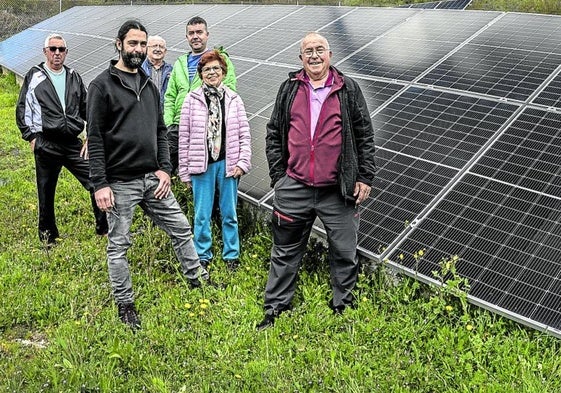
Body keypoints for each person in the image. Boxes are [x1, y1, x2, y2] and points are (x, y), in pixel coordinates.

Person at [86, 20, 211, 331]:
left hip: (152, 179)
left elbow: (159, 130)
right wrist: (99, 184)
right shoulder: (101, 86)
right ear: (119, 44)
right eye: (133, 44)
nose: (138, 50)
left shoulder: (149, 85)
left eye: (142, 45)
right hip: (120, 182)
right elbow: (96, 137)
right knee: (119, 245)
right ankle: (125, 303)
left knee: (181, 228)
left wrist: (164, 168)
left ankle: (198, 280)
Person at [256, 32, 376, 330]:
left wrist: (364, 176)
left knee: (344, 251)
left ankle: (343, 307)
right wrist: (278, 178)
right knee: (284, 250)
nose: (314, 55)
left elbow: (364, 135)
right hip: (294, 186)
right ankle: (275, 309)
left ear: (330, 54)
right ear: (300, 59)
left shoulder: (348, 90)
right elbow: (274, 133)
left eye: (319, 49)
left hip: (337, 189)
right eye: (307, 51)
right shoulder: (289, 89)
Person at [15, 33, 108, 247]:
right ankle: (49, 238)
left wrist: (90, 136)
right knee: (46, 192)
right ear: (45, 51)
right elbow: (22, 108)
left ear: (66, 52)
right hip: (46, 143)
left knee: (95, 180)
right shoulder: (35, 76)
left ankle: (103, 227)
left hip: (72, 143)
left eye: (61, 49)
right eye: (53, 49)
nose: (57, 53)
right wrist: (30, 136)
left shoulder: (74, 76)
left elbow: (87, 108)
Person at [178, 50, 252, 271]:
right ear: (201, 74)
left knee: (229, 212)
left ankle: (231, 255)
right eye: (207, 69)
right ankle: (203, 254)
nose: (212, 73)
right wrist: (184, 170)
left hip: (228, 164)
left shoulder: (233, 100)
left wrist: (242, 162)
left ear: (223, 72)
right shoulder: (191, 100)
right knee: (202, 214)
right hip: (201, 166)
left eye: (216, 69)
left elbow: (244, 134)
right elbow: (184, 136)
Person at [164, 16, 237, 174]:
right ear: (187, 37)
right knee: (167, 169)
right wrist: (169, 122)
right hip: (177, 127)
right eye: (191, 33)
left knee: (204, 172)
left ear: (207, 35)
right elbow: (169, 96)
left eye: (199, 32)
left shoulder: (219, 60)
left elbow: (229, 89)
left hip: (205, 126)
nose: (195, 36)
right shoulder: (179, 63)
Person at [141, 35, 172, 112]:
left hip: (163, 114)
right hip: (143, 112)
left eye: (161, 47)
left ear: (165, 51)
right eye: (154, 46)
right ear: (147, 49)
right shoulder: (139, 69)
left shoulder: (172, 71)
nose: (158, 49)